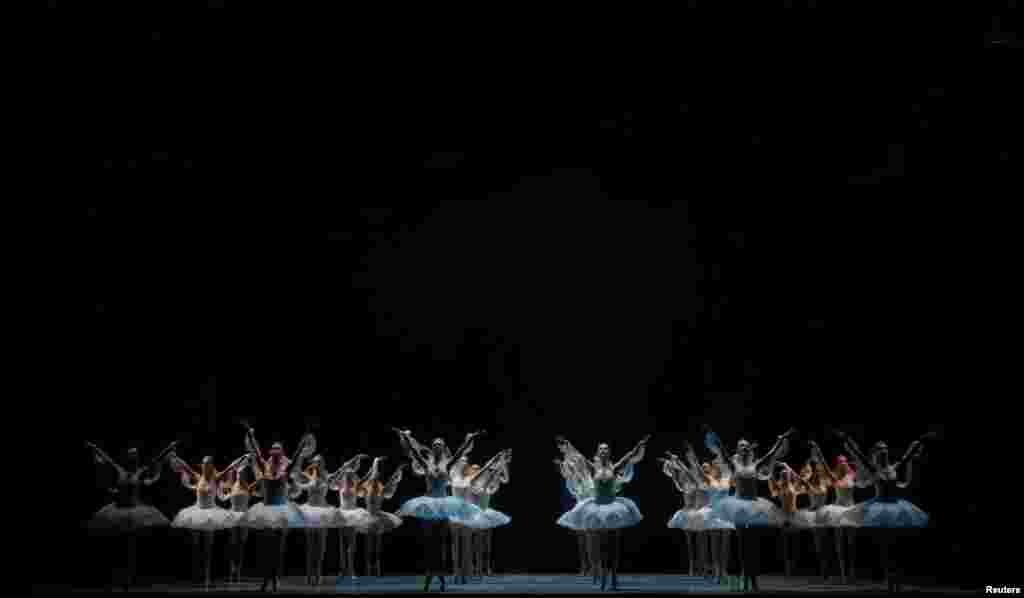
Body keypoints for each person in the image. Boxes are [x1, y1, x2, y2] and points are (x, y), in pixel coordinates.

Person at [833, 429, 932, 592]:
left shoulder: (895, 467)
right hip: (879, 509)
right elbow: (858, 454)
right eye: (880, 450)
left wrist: (921, 439)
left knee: (896, 544)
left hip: (896, 507)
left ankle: (896, 577)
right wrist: (846, 438)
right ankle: (888, 577)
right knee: (885, 544)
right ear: (877, 455)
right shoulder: (873, 469)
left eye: (885, 449)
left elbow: (909, 454)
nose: (884, 451)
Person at [393, 427, 485, 592]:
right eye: (435, 445)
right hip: (429, 504)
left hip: (443, 505)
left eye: (440, 445)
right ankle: (430, 575)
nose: (437, 447)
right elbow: (414, 451)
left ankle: (441, 577)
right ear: (433, 447)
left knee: (441, 543)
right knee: (430, 543)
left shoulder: (447, 464)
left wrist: (471, 438)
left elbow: (460, 451)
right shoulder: (425, 463)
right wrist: (403, 436)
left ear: (442, 449)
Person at [555, 435, 648, 591]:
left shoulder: (615, 468)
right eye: (601, 449)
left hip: (613, 507)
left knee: (614, 545)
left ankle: (613, 576)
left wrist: (639, 445)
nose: (604, 451)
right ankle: (601, 574)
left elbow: (630, 456)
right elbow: (579, 456)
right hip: (596, 508)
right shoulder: (593, 468)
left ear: (609, 452)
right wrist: (568, 444)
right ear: (598, 453)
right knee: (599, 545)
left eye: (606, 449)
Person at [85, 441, 175, 589]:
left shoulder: (141, 471)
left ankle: (132, 576)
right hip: (118, 510)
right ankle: (120, 575)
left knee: (132, 545)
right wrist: (93, 448)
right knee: (120, 544)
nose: (132, 458)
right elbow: (106, 458)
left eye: (134, 456)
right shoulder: (119, 469)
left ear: (137, 458)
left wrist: (169, 448)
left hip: (136, 511)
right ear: (127, 458)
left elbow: (157, 459)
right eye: (130, 456)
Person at [169, 451, 250, 587]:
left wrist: (243, 457)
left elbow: (230, 468)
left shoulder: (216, 477)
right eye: (204, 464)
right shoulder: (198, 476)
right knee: (195, 546)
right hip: (197, 512)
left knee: (208, 547)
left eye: (207, 464)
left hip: (211, 513)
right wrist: (174, 457)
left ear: (211, 466)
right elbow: (185, 467)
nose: (205, 466)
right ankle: (196, 575)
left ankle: (207, 576)